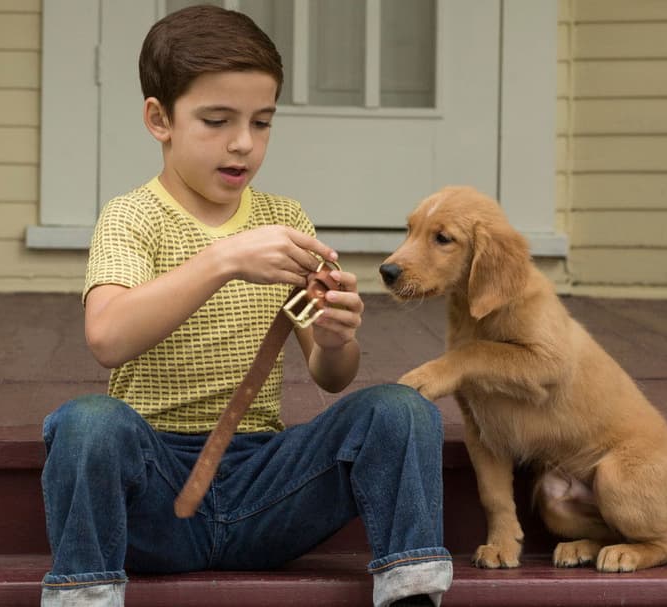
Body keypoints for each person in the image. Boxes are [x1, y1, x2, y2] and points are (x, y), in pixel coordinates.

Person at [39, 5, 451, 606]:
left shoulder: (283, 220)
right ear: (160, 119)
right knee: (87, 424)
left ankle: (413, 593)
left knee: (402, 410)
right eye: (216, 120)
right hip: (154, 483)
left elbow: (331, 377)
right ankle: (85, 596)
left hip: (266, 484)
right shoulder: (131, 217)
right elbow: (107, 337)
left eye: (262, 122)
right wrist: (224, 258)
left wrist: (337, 337)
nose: (242, 143)